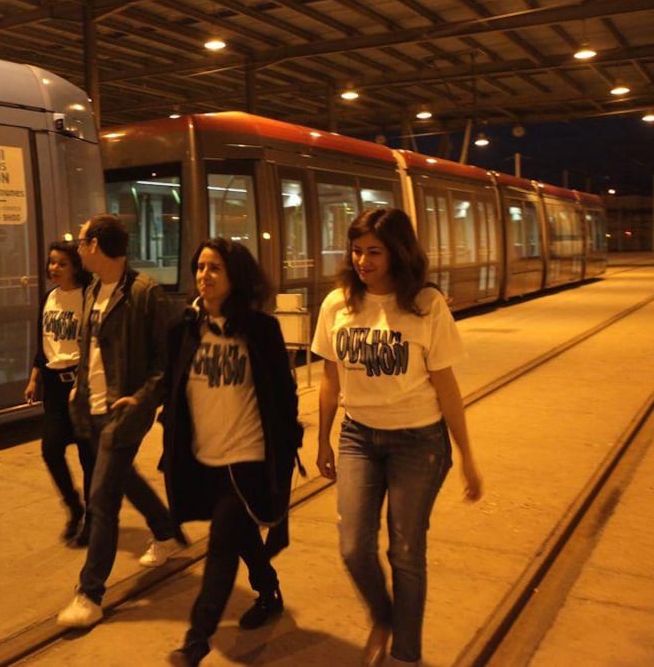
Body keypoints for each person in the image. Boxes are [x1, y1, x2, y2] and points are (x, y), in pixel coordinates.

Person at [311, 207, 484, 666]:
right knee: (353, 546)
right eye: (357, 251)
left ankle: (406, 655)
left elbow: (445, 385)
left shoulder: (427, 305)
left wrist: (466, 455)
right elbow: (330, 377)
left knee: (405, 550)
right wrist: (323, 438)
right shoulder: (337, 305)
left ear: (398, 253)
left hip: (418, 443)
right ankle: (385, 616)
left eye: (375, 252)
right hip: (357, 438)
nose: (363, 261)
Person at [160, 239, 304, 666]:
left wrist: (287, 444)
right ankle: (268, 589)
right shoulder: (183, 329)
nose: (204, 276)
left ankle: (196, 640)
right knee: (240, 534)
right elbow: (170, 384)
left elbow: (284, 393)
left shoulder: (260, 330)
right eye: (200, 267)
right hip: (202, 456)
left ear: (234, 276)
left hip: (247, 456)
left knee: (222, 543)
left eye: (215, 268)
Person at [56, 213, 186, 629]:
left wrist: (140, 400)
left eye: (80, 242)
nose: (76, 249)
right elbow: (89, 347)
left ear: (96, 245)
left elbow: (163, 364)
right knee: (121, 478)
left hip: (122, 413)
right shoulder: (94, 288)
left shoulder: (145, 293)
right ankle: (166, 532)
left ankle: (90, 593)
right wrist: (79, 385)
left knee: (102, 500)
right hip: (90, 407)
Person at [24, 240, 96, 545]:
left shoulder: (88, 297)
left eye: (62, 263)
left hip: (81, 384)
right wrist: (34, 378)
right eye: (52, 262)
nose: (54, 268)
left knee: (87, 455)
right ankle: (74, 506)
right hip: (53, 386)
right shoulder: (49, 298)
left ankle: (93, 519)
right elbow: (44, 343)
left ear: (76, 267)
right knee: (50, 449)